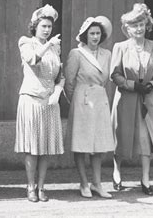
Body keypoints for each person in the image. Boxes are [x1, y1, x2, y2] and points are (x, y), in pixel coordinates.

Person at [110, 3, 153, 196]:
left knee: (145, 139)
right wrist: (133, 85)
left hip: (146, 100)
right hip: (126, 98)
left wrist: (152, 85)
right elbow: (114, 74)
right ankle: (117, 171)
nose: (139, 28)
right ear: (127, 28)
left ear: (147, 24)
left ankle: (145, 179)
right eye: (134, 25)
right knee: (121, 137)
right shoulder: (121, 47)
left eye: (142, 24)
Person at [15, 4, 64, 202]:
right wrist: (48, 44)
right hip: (31, 100)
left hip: (50, 102)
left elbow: (60, 75)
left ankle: (42, 186)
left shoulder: (55, 46)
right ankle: (30, 187)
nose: (46, 30)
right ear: (35, 26)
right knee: (33, 146)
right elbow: (33, 60)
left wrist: (58, 92)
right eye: (43, 26)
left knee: (46, 147)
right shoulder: (26, 42)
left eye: (49, 27)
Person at [64, 16, 114, 199]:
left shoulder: (107, 54)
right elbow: (69, 82)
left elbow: (106, 80)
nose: (95, 37)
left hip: (100, 100)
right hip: (82, 100)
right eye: (92, 33)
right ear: (85, 35)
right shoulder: (76, 54)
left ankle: (97, 184)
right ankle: (84, 182)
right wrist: (76, 101)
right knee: (81, 144)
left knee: (98, 145)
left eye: (98, 33)